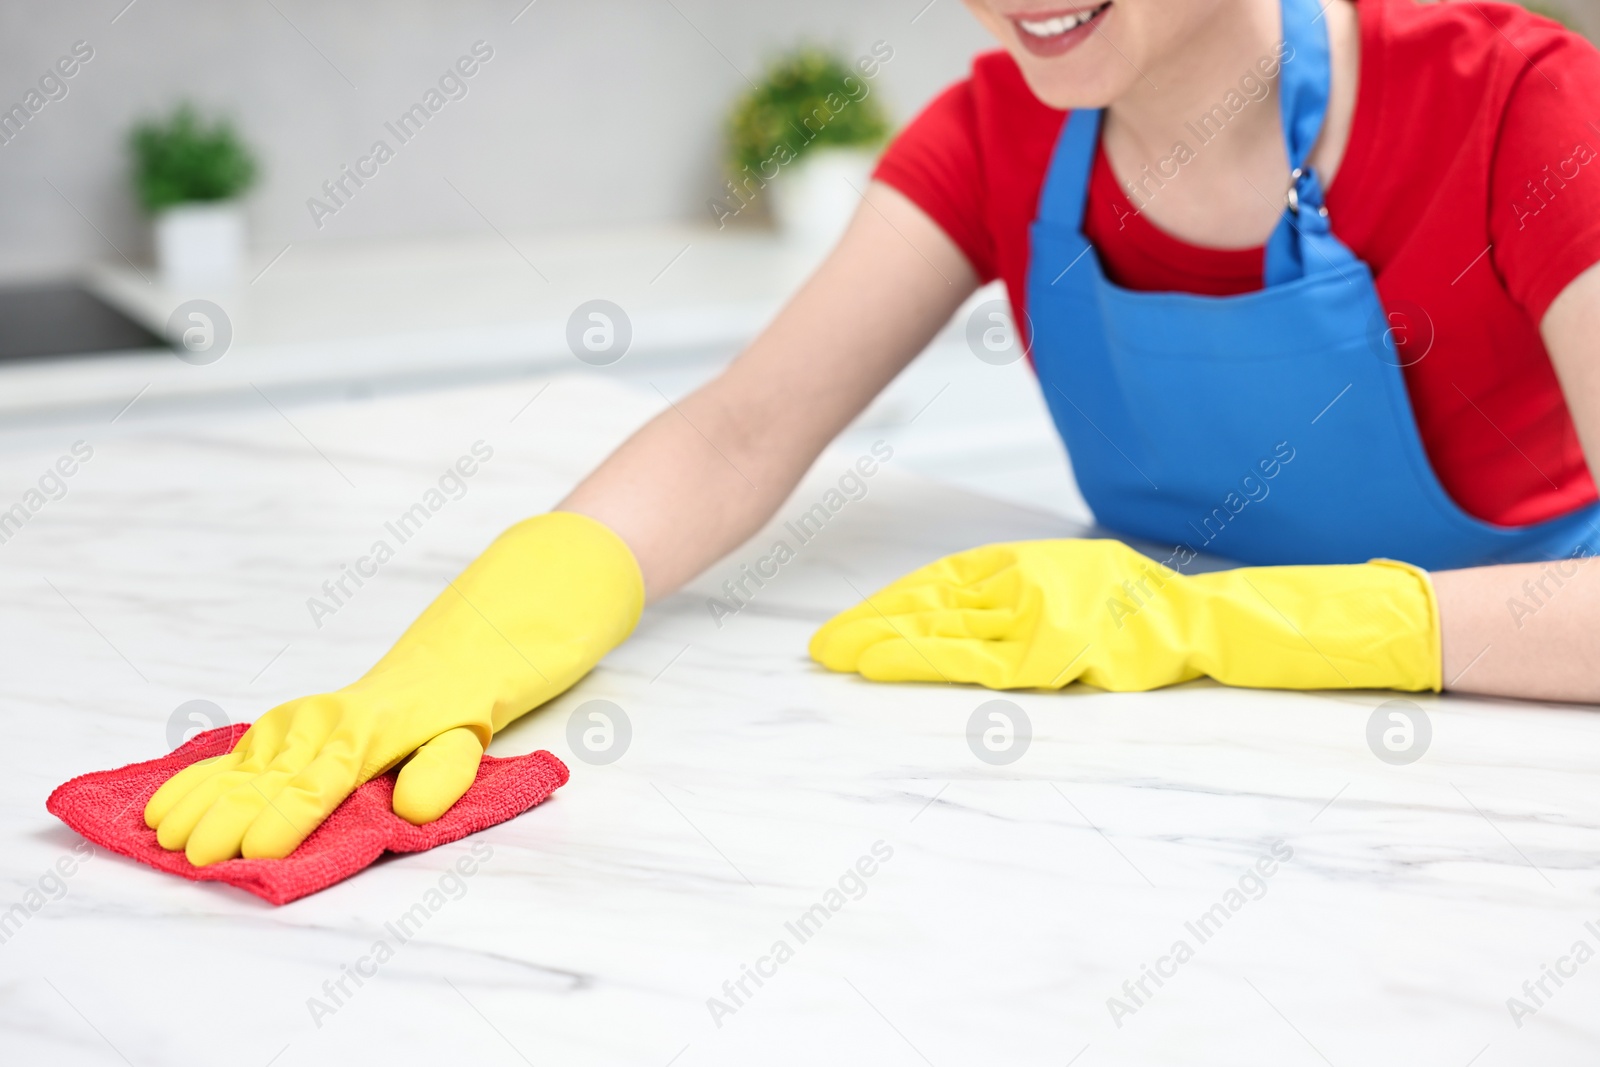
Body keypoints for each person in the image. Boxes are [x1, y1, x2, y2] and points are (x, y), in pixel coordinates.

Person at [145, 0, 1600, 866]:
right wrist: (475, 642)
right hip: (1146, 779)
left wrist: (1220, 626)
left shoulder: (1528, 111)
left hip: (1499, 789)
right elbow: (737, 435)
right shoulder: (997, 134)